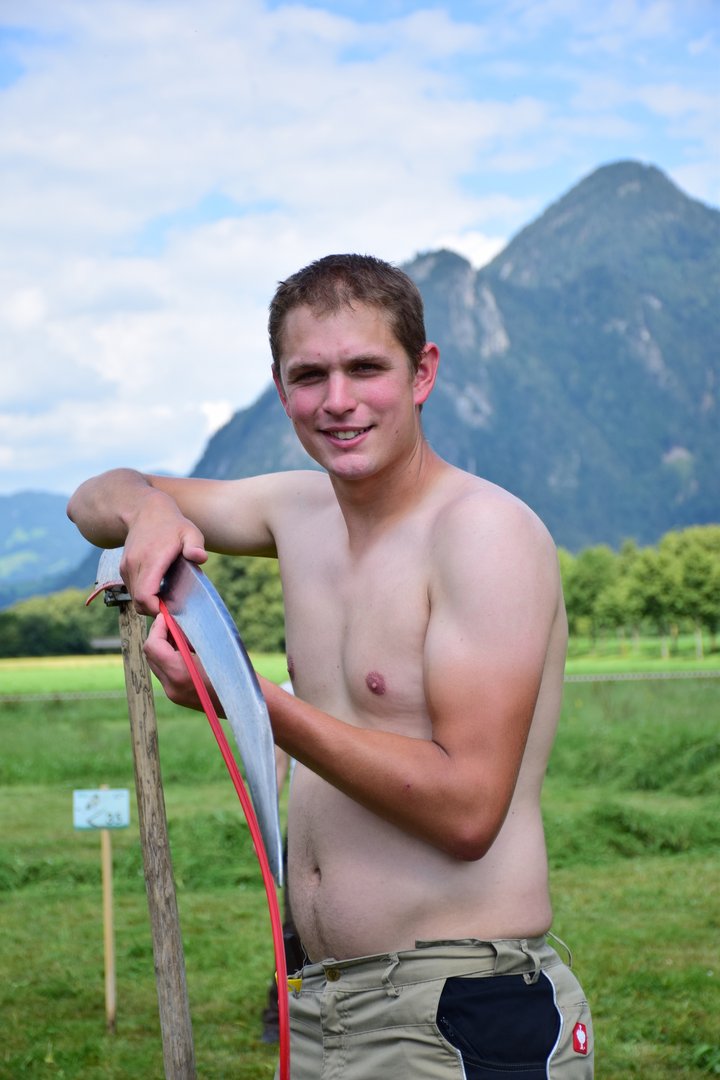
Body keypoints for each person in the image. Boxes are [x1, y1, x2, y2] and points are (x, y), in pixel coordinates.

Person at [67, 253, 593, 1078]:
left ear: (422, 373)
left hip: (454, 1010)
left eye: (365, 368)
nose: (337, 400)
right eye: (309, 375)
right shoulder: (296, 511)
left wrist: (247, 698)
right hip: (320, 1004)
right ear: (281, 391)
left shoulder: (483, 533)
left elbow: (467, 811)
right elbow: (92, 498)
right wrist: (150, 509)